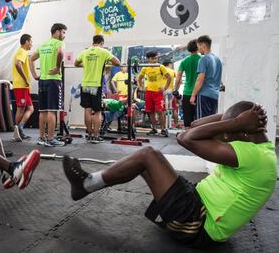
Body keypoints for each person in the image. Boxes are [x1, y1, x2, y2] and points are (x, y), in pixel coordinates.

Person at [63, 101, 276, 247]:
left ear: (246, 131)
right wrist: (232, 118)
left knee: (148, 155)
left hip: (199, 226)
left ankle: (86, 185)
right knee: (146, 163)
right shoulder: (253, 147)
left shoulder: (255, 157)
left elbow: (186, 138)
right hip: (196, 204)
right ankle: (87, 184)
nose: (224, 137)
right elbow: (194, 126)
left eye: (229, 133)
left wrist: (235, 122)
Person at [74, 35, 120, 143]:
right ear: (102, 43)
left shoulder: (85, 52)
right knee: (98, 111)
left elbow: (75, 63)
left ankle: (89, 134)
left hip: (85, 84)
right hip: (96, 85)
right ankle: (95, 135)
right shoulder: (103, 51)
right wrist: (106, 62)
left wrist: (86, 64)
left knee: (87, 109)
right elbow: (117, 62)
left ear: (93, 41)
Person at [30, 23, 67, 147]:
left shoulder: (43, 44)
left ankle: (41, 137)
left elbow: (31, 58)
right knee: (52, 110)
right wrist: (57, 67)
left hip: (43, 80)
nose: (64, 35)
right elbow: (60, 53)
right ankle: (50, 138)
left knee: (43, 110)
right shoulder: (58, 43)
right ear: (56, 32)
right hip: (53, 80)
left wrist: (35, 75)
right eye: (63, 32)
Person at [12, 34, 39, 142]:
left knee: (30, 109)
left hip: (24, 87)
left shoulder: (24, 53)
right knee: (21, 108)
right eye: (31, 41)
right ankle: (16, 132)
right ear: (27, 42)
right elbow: (17, 64)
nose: (32, 44)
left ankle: (20, 128)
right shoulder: (22, 52)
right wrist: (25, 79)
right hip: (21, 86)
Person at [137, 51, 171, 137]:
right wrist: (141, 87)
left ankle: (163, 129)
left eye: (156, 58)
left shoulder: (160, 66)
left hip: (158, 92)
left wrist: (165, 88)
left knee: (160, 111)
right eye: (153, 58)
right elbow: (139, 78)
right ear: (148, 59)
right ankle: (154, 129)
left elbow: (169, 77)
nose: (155, 60)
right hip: (149, 92)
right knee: (150, 111)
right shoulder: (145, 68)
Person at [190, 35, 222, 118]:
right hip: (215, 95)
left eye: (198, 47)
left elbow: (200, 79)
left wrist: (193, 95)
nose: (198, 49)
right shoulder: (218, 59)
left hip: (204, 95)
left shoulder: (203, 59)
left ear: (203, 46)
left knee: (202, 123)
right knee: (211, 123)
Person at [174, 39, 201, 129]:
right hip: (199, 93)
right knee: (199, 120)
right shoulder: (201, 60)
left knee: (187, 121)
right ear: (198, 48)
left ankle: (187, 140)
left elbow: (178, 78)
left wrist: (175, 90)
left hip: (187, 93)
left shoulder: (184, 61)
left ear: (188, 49)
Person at [162, 61, 179, 128]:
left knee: (163, 109)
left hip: (163, 91)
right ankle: (176, 124)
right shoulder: (173, 71)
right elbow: (179, 80)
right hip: (170, 91)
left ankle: (163, 125)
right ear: (169, 64)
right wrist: (176, 89)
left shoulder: (161, 70)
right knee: (174, 108)